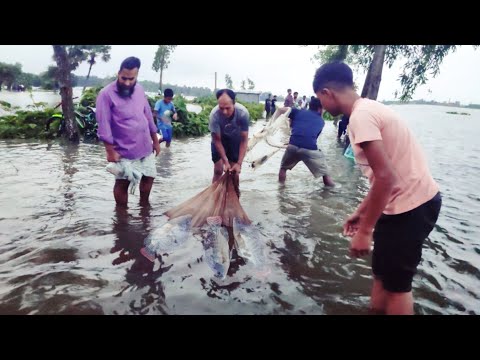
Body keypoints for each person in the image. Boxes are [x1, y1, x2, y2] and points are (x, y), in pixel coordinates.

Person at [313, 61, 442, 315]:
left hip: (412, 206)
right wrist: (361, 214)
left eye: (320, 99)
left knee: (397, 286)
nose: (323, 108)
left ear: (327, 93)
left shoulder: (361, 117)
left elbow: (387, 178)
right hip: (398, 205)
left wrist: (365, 231)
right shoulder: (369, 110)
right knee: (381, 274)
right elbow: (382, 178)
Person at [96, 56, 160, 206]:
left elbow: (148, 115)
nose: (127, 82)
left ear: (137, 75)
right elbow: (103, 124)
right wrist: (110, 151)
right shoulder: (106, 94)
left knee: (149, 177)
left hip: (145, 145)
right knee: (122, 183)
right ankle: (121, 215)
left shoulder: (139, 89)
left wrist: (155, 141)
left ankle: (144, 206)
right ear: (118, 73)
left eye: (131, 79)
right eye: (124, 78)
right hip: (124, 149)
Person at [277, 98, 335, 187]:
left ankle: (280, 189)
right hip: (309, 149)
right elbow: (313, 137)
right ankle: (333, 191)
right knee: (325, 174)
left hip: (292, 146)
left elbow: (281, 110)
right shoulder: (321, 121)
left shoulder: (298, 112)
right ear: (320, 108)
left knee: (283, 168)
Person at [209, 89, 250, 192]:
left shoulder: (242, 114)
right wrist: (225, 161)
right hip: (220, 139)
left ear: (234, 103)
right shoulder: (214, 115)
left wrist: (239, 163)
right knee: (218, 170)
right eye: (221, 108)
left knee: (234, 172)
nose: (224, 112)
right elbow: (217, 140)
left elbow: (244, 140)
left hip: (235, 139)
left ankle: (235, 196)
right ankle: (214, 196)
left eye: (228, 108)